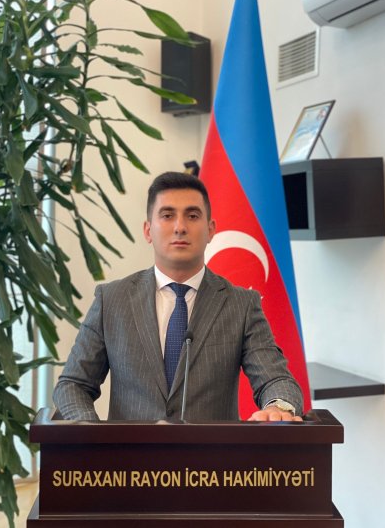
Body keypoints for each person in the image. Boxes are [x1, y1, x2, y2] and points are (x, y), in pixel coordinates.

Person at [53, 172, 303, 422]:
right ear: (148, 230)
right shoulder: (112, 300)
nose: (180, 227)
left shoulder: (241, 305)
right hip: (128, 449)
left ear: (210, 230)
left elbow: (276, 379)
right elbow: (73, 385)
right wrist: (90, 431)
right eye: (167, 215)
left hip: (212, 449)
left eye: (192, 216)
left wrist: (279, 407)